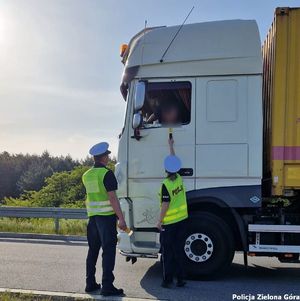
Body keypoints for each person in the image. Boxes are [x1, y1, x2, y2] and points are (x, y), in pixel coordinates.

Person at [82, 142, 127, 296]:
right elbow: (112, 198)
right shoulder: (107, 174)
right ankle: (107, 286)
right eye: (107, 155)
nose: (108, 157)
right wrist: (121, 219)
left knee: (93, 251)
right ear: (104, 157)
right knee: (108, 252)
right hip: (106, 219)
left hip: (92, 219)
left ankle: (90, 283)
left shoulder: (86, 175)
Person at [157, 137, 188, 288]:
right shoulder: (180, 179)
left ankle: (167, 280)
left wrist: (159, 221)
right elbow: (174, 160)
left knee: (167, 253)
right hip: (182, 220)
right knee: (178, 251)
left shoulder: (166, 184)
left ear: (165, 170)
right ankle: (181, 279)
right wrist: (171, 146)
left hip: (169, 224)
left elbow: (165, 204)